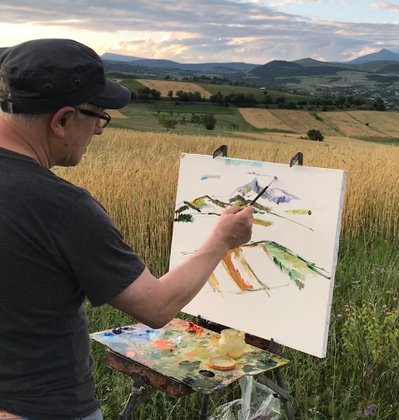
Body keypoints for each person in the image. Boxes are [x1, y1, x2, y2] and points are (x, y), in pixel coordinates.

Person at [0, 39, 254, 420]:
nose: (99, 132)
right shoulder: (62, 208)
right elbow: (156, 306)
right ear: (62, 120)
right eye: (98, 116)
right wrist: (222, 239)